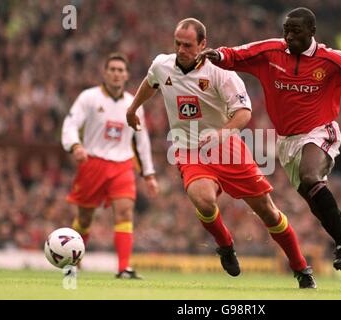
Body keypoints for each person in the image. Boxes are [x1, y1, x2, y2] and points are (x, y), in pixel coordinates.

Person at [196, 7, 341, 288]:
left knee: (311, 178)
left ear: (312, 31)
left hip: (321, 131)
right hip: (286, 142)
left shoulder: (332, 60)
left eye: (295, 31)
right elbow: (237, 55)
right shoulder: (271, 53)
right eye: (285, 30)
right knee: (315, 201)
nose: (288, 37)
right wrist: (218, 55)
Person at [126, 18, 316, 288]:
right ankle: (226, 245)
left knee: (268, 213)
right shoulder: (162, 65)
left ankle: (300, 267)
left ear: (203, 44)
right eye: (177, 43)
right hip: (189, 148)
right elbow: (150, 82)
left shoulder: (220, 72)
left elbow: (244, 113)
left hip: (227, 148)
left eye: (188, 45)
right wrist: (132, 108)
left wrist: (222, 133)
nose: (181, 49)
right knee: (203, 200)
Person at [61, 52, 159, 279]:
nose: (116, 74)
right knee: (85, 219)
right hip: (92, 163)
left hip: (123, 165)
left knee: (125, 213)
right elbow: (70, 123)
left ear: (127, 75)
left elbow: (141, 141)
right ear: (104, 73)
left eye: (120, 70)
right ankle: (72, 263)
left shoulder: (134, 103)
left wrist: (149, 174)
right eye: (112, 69)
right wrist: (75, 146)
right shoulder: (89, 98)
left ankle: (124, 268)